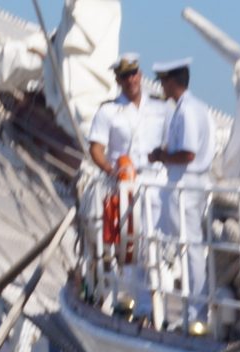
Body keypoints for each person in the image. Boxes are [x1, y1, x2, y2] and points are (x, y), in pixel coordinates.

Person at [146, 59, 215, 309]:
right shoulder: (193, 107)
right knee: (186, 245)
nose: (161, 87)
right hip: (187, 183)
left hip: (185, 185)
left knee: (189, 246)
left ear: (172, 82)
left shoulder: (187, 111)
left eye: (163, 82)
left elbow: (188, 153)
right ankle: (194, 303)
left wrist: (161, 157)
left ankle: (197, 306)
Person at [86, 56, 153, 273]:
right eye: (125, 76)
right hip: (121, 184)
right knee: (123, 238)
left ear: (140, 75)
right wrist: (110, 170)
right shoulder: (109, 111)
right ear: (118, 80)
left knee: (154, 237)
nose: (130, 80)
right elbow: (96, 149)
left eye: (133, 74)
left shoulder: (157, 107)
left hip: (153, 182)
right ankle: (120, 271)